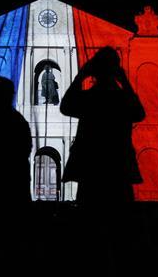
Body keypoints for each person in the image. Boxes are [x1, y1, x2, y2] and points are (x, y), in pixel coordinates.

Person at [60, 47, 145, 203]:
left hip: (91, 168)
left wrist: (80, 76)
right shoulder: (121, 99)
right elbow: (139, 113)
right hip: (119, 167)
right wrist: (125, 82)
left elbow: (65, 106)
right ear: (116, 71)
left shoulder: (90, 99)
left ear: (94, 70)